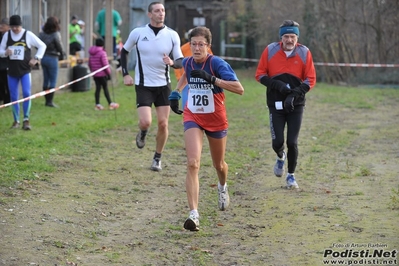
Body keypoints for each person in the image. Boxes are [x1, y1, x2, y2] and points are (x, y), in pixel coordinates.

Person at [169, 26, 244, 231]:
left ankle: (222, 187)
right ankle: (193, 214)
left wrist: (212, 79)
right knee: (193, 163)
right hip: (193, 116)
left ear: (208, 46)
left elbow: (239, 89)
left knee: (219, 165)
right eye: (193, 44)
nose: (197, 48)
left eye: (201, 44)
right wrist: (177, 91)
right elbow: (186, 70)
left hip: (216, 120)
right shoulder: (189, 61)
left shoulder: (217, 63)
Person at [120, 2, 184, 172]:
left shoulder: (172, 35)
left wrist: (172, 62)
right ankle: (142, 132)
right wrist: (126, 74)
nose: (161, 13)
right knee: (145, 122)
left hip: (163, 85)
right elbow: (124, 51)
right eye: (157, 11)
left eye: (163, 10)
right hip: (143, 85)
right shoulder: (138, 33)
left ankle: (157, 158)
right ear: (150, 14)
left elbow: (180, 61)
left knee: (163, 124)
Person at [255, 20, 316, 189]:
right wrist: (279, 86)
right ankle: (280, 156)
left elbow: (310, 79)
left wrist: (294, 95)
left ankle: (291, 176)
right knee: (278, 141)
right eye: (286, 36)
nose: (289, 40)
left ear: (297, 37)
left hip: (296, 105)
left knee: (292, 142)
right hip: (275, 103)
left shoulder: (304, 52)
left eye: (293, 36)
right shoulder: (270, 50)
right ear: (281, 37)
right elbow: (260, 75)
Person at [0, 14, 46, 130]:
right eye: (12, 26)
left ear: (21, 25)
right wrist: (5, 52)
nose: (15, 29)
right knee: (14, 96)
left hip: (25, 70)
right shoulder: (7, 35)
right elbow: (0, 50)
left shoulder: (28, 35)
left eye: (17, 27)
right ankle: (16, 121)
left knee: (26, 94)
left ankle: (26, 120)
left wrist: (36, 58)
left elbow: (42, 46)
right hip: (11, 71)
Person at [174, 28, 213, 109]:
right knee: (186, 104)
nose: (197, 48)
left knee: (202, 106)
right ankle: (187, 116)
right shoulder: (183, 48)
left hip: (201, 80)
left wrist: (208, 76)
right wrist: (179, 77)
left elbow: (211, 60)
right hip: (187, 79)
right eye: (194, 43)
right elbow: (178, 63)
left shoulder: (205, 48)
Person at [38, 16, 65, 107]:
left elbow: (37, 44)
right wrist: (62, 55)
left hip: (43, 58)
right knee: (52, 81)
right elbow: (59, 45)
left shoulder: (41, 34)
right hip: (52, 57)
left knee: (46, 80)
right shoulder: (56, 34)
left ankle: (46, 100)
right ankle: (50, 101)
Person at [88, 38, 119, 111]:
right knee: (105, 88)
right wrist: (108, 73)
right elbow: (105, 64)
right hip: (102, 74)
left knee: (97, 89)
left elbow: (89, 64)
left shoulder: (91, 53)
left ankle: (97, 104)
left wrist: (92, 71)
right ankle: (110, 103)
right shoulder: (102, 52)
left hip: (95, 74)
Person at [0, 17, 10, 105]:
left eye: (3, 25)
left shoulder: (10, 37)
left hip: (7, 63)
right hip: (1, 63)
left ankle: (8, 100)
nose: (1, 26)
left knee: (7, 83)